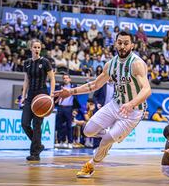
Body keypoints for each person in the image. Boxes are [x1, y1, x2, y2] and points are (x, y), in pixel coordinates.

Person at [54, 31, 151, 178]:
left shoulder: (136, 64)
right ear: (115, 43)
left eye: (126, 43)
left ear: (132, 45)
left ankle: (91, 165)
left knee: (105, 141)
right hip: (115, 104)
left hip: (133, 111)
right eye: (120, 43)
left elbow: (147, 89)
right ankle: (111, 136)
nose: (123, 46)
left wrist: (131, 104)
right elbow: (94, 85)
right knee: (88, 131)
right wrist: (70, 91)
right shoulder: (110, 65)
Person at [20, 39, 55, 161]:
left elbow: (52, 79)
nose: (37, 49)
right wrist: (23, 96)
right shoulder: (27, 63)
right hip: (30, 96)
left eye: (39, 47)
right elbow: (26, 81)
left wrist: (51, 95)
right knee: (24, 123)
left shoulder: (45, 62)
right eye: (35, 47)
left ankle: (35, 153)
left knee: (37, 125)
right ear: (30, 48)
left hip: (42, 95)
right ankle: (38, 145)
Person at [55, 73, 79, 149]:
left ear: (70, 79)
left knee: (69, 126)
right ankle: (60, 141)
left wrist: (75, 109)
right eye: (64, 78)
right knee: (59, 126)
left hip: (69, 108)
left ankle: (70, 142)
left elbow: (76, 98)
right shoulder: (59, 86)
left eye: (67, 78)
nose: (65, 79)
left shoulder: (73, 86)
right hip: (60, 107)